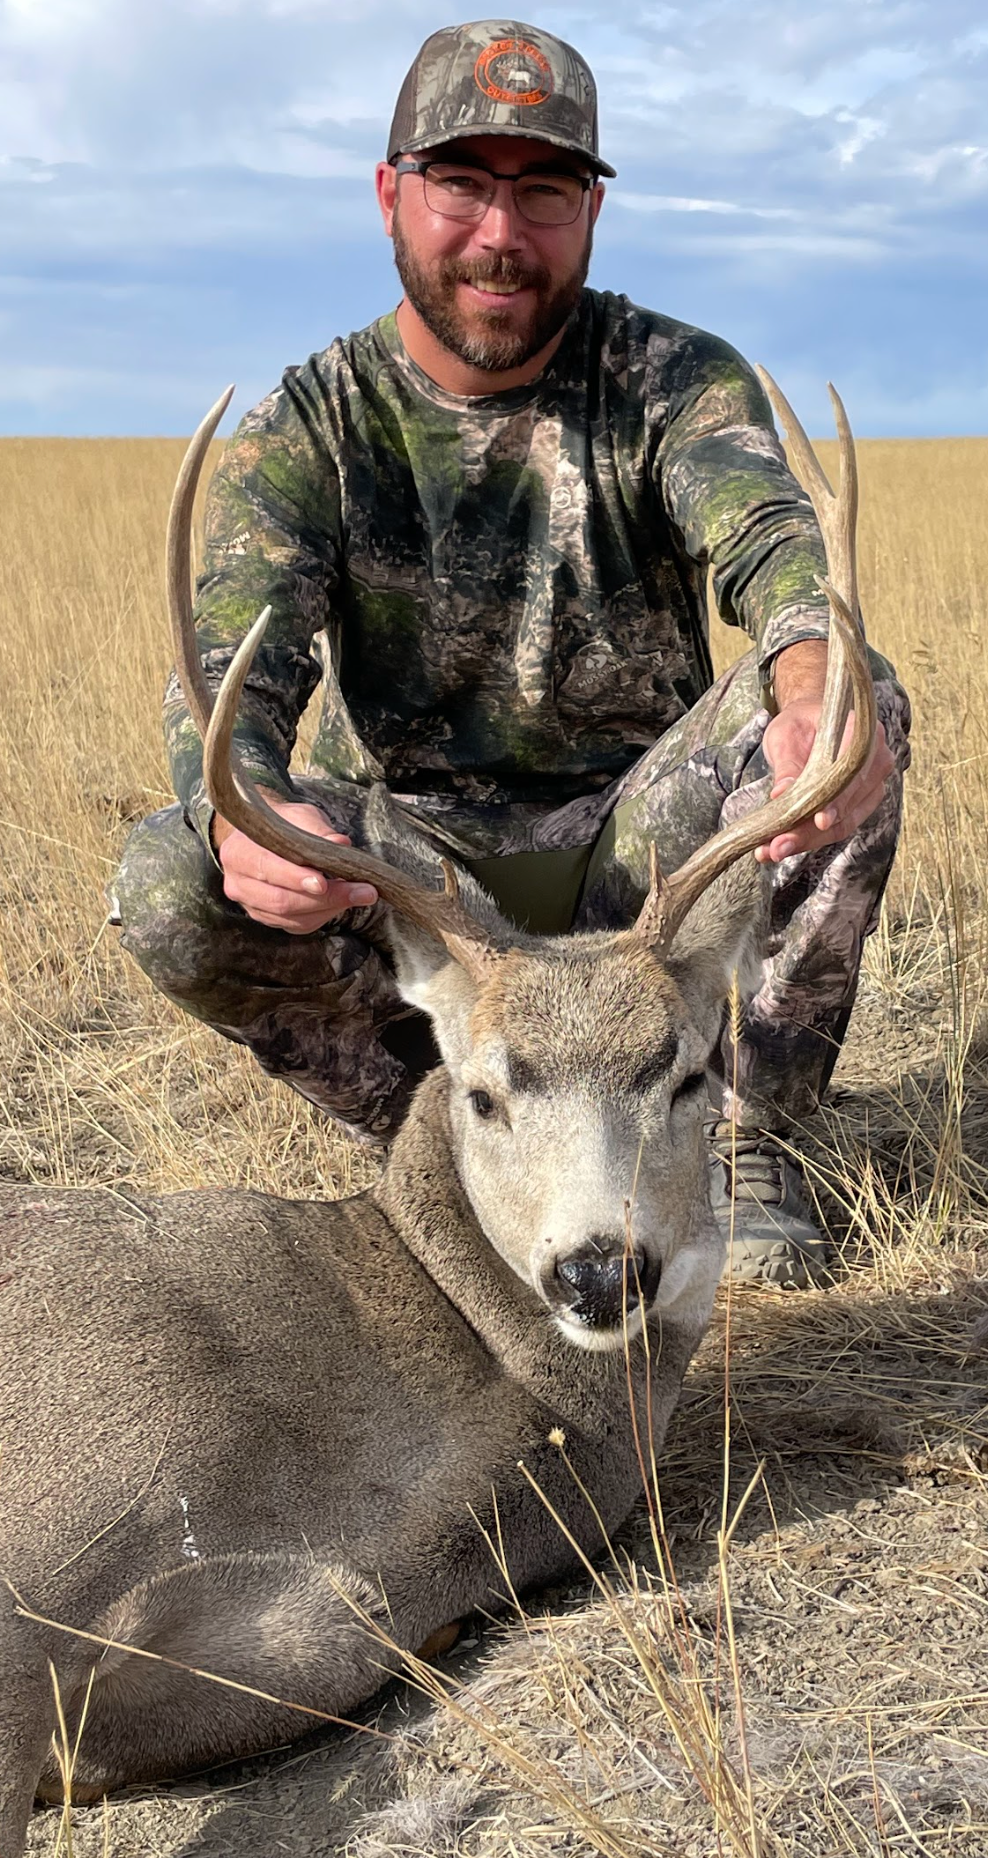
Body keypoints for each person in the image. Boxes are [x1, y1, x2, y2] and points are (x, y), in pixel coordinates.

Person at [112, 17, 911, 1288]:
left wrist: (815, 682)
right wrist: (250, 819)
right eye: (461, 185)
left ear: (591, 211)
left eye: (542, 191)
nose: (500, 233)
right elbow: (232, 677)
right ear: (390, 195)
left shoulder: (667, 379)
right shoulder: (309, 424)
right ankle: (445, 1145)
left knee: (858, 708)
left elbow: (771, 544)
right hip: (435, 897)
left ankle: (747, 1135)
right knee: (172, 872)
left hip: (645, 859)